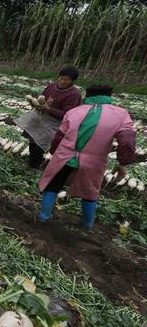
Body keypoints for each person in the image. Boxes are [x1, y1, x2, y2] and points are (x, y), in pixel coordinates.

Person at [38, 85, 136, 230]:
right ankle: (87, 225)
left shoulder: (74, 112)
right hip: (94, 161)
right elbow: (127, 140)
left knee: (53, 186)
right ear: (109, 97)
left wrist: (54, 153)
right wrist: (123, 163)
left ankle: (43, 217)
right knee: (90, 192)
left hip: (65, 156)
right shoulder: (121, 114)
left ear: (87, 96)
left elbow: (59, 136)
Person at [15, 66, 82, 169]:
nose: (63, 81)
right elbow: (42, 98)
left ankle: (34, 166)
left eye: (67, 80)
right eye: (61, 78)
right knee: (33, 141)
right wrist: (36, 104)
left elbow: (69, 114)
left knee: (40, 144)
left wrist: (49, 109)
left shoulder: (74, 94)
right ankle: (33, 162)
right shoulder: (51, 86)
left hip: (53, 124)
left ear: (72, 81)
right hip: (41, 118)